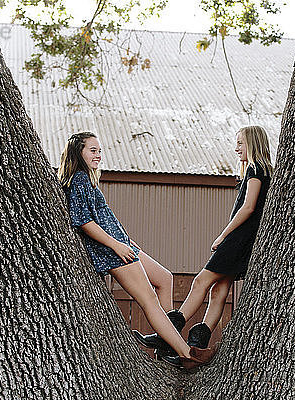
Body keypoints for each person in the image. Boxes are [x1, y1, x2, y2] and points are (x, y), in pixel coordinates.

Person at [59, 131, 217, 368]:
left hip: (123, 244)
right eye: (93, 150)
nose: (98, 155)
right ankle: (186, 354)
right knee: (149, 300)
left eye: (100, 150)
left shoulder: (89, 179)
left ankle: (165, 343)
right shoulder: (79, 179)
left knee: (165, 277)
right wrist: (118, 246)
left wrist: (128, 241)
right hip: (111, 250)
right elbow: (84, 221)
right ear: (77, 152)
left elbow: (105, 218)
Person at [135, 126, 273, 357]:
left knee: (200, 282)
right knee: (219, 291)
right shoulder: (263, 170)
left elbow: (248, 208)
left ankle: (166, 335)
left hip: (238, 239)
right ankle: (197, 346)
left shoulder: (255, 169)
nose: (236, 148)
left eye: (241, 143)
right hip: (247, 242)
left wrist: (223, 235)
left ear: (253, 143)